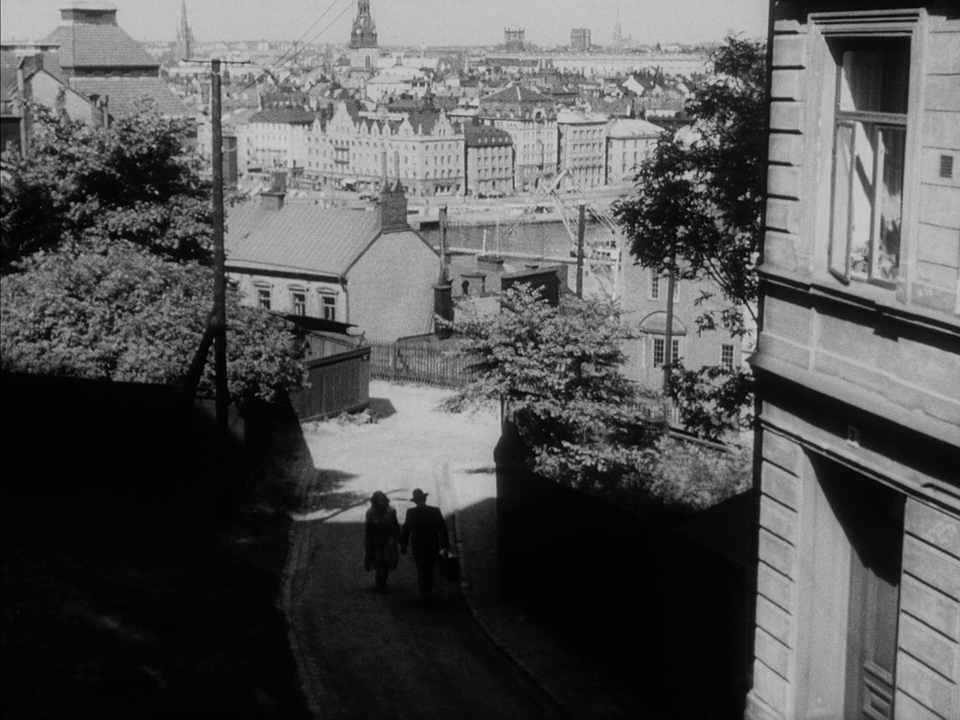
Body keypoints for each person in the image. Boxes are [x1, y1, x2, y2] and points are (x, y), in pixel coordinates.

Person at [400, 488, 449, 606]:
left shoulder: (411, 512)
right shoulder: (435, 511)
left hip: (418, 544)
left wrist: (403, 544)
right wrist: (445, 546)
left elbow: (406, 529)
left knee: (421, 568)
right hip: (432, 543)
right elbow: (442, 529)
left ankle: (424, 593)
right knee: (430, 568)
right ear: (425, 499)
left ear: (415, 502)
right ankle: (427, 591)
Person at [364, 491, 400, 593]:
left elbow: (395, 525)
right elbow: (368, 530)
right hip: (376, 541)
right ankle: (380, 582)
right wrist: (368, 545)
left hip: (388, 541)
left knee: (387, 561)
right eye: (379, 501)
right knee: (379, 561)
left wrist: (397, 537)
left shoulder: (391, 511)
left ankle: (382, 580)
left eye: (382, 500)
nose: (381, 503)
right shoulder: (370, 513)